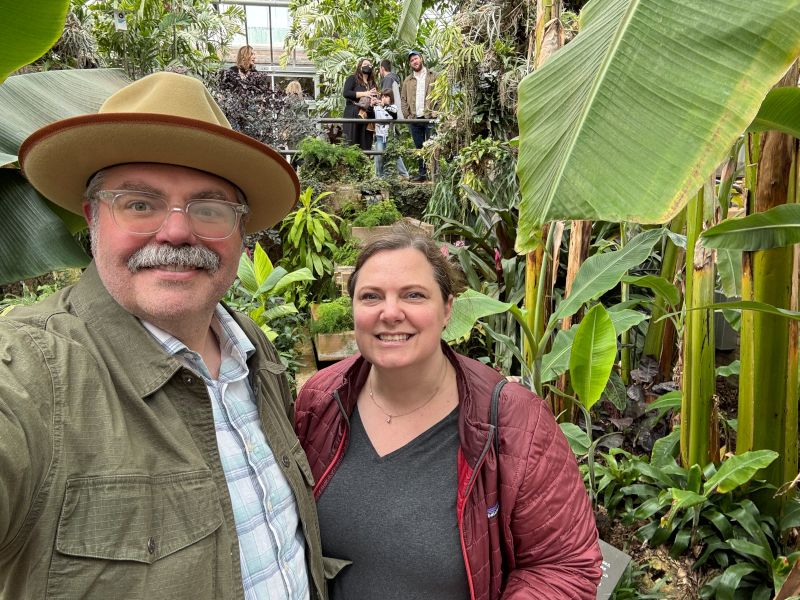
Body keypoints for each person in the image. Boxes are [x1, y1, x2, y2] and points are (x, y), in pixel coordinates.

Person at [1, 72, 326, 600]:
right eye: (139, 204)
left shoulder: (253, 352)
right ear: (92, 218)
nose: (177, 231)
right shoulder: (36, 371)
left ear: (240, 233)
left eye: (208, 208)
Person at [294, 224, 603, 600]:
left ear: (447, 309)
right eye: (371, 296)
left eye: (413, 295)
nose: (390, 313)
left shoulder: (513, 422)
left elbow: (565, 565)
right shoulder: (320, 401)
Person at [400, 50, 437, 182]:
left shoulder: (433, 75)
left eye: (416, 58)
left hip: (430, 117)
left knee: (433, 146)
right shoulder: (407, 81)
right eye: (411, 61)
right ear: (410, 64)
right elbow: (403, 99)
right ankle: (422, 175)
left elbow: (441, 95)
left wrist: (436, 111)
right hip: (415, 119)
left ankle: (434, 174)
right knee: (419, 147)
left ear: (421, 59)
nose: (414, 62)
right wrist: (407, 115)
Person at [342, 57, 378, 150]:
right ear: (359, 66)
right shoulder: (352, 78)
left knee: (365, 145)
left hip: (367, 116)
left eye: (369, 65)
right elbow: (346, 93)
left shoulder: (372, 83)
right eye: (365, 64)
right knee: (352, 144)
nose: (367, 66)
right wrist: (365, 93)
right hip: (353, 113)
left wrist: (375, 100)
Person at [372, 88, 409, 178]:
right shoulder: (376, 108)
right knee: (379, 156)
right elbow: (370, 114)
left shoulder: (393, 107)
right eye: (383, 96)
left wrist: (384, 106)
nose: (384, 98)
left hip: (390, 136)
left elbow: (394, 115)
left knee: (396, 156)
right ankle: (379, 177)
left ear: (391, 98)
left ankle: (404, 175)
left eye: (387, 96)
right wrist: (371, 104)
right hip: (379, 135)